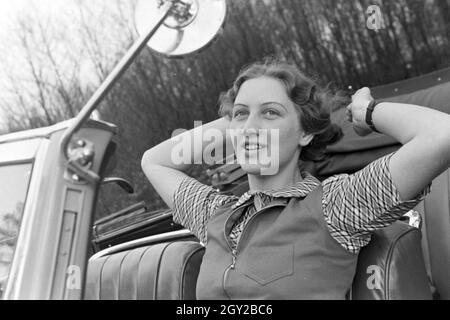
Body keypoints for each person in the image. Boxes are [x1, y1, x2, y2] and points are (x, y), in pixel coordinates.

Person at [141, 59, 450, 299]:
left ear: (305, 132)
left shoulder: (336, 206)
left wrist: (368, 112)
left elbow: (442, 135)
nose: (250, 127)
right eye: (240, 114)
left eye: (271, 113)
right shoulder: (215, 214)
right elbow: (154, 161)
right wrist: (240, 119)